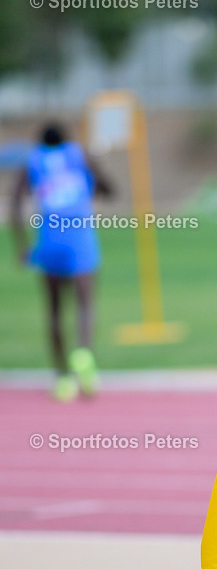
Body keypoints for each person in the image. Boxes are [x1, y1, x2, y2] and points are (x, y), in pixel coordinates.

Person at [11, 123, 114, 401]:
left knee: (55, 310)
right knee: (85, 303)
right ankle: (83, 353)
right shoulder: (79, 155)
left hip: (49, 240)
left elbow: (15, 203)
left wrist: (21, 246)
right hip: (79, 240)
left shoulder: (33, 161)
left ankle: (62, 377)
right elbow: (108, 189)